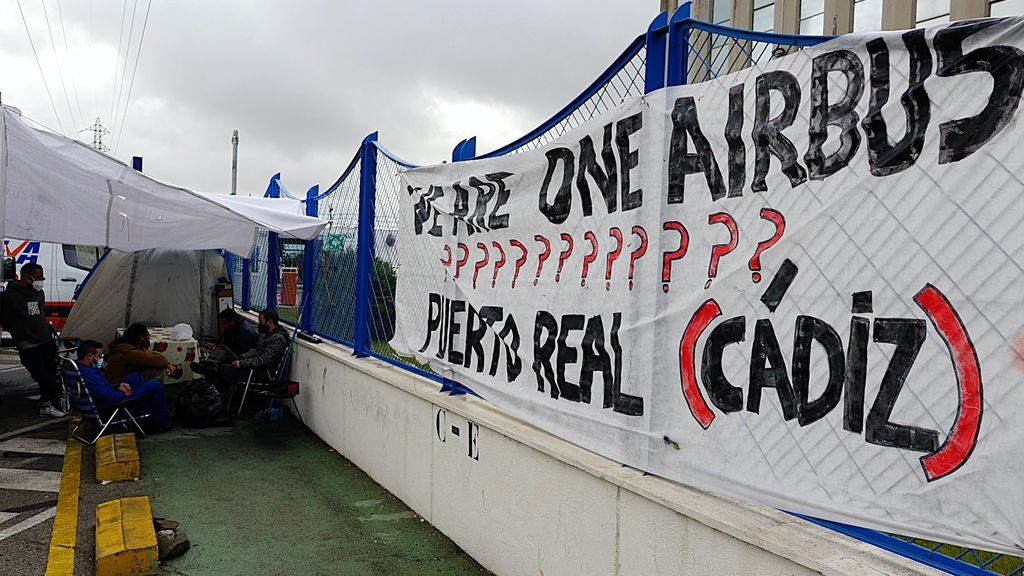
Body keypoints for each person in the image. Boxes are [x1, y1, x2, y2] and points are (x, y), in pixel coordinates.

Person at [0, 263, 64, 417]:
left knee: (50, 371)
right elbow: (5, 318)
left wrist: (48, 329)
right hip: (28, 342)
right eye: (38, 277)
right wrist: (18, 331)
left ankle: (46, 397)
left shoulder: (38, 293)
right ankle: (46, 404)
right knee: (40, 373)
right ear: (27, 276)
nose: (40, 281)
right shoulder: (9, 296)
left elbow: (40, 314)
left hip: (45, 338)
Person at [76, 340, 170, 432]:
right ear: (89, 356)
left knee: (134, 377)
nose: (101, 359)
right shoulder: (89, 374)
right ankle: (158, 423)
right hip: (112, 404)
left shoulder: (83, 369)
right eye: (99, 356)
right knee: (155, 385)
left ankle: (148, 410)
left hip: (110, 396)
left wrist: (117, 387)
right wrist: (122, 392)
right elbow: (108, 397)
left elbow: (103, 389)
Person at [192, 309, 289, 390]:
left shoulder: (277, 339)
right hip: (249, 364)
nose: (260, 324)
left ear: (270, 322)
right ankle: (207, 365)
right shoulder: (269, 335)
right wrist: (242, 358)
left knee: (220, 368)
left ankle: (215, 394)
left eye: (261, 322)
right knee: (222, 348)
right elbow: (256, 351)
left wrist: (242, 363)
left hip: (256, 373)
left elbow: (264, 361)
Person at [105, 324, 180, 383]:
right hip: (117, 385)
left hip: (118, 380)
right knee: (157, 371)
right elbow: (156, 359)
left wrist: (165, 364)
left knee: (152, 365)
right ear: (141, 337)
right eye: (147, 335)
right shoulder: (128, 352)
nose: (149, 338)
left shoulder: (124, 346)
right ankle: (153, 396)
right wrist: (167, 364)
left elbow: (147, 355)